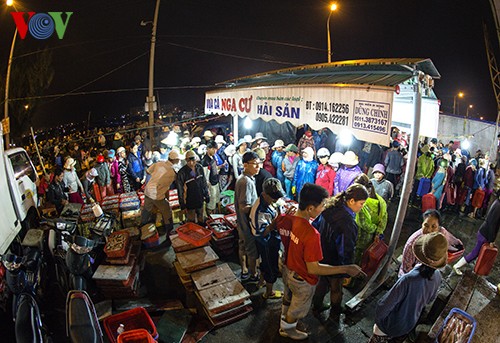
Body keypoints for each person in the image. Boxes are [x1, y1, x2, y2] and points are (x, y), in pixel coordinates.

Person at [280, 183, 365, 340]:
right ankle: (288, 329)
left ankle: (288, 319)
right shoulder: (312, 234)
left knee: (290, 296)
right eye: (321, 205)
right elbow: (314, 269)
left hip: (288, 269)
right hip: (304, 276)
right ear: (311, 208)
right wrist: (346, 268)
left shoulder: (289, 218)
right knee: (299, 307)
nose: (323, 208)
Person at [370, 233, 447, 343]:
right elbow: (430, 299)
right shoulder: (438, 276)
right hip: (409, 325)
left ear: (419, 254)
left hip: (390, 326)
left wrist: (378, 322)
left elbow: (384, 306)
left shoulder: (407, 280)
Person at [311, 183, 369, 328]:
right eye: (361, 204)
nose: (362, 207)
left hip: (321, 256)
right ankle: (334, 314)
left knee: (321, 283)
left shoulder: (329, 208)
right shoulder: (347, 223)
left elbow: (315, 228)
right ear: (351, 201)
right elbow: (346, 249)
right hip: (335, 262)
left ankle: (316, 306)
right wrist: (347, 269)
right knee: (336, 289)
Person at [250, 178, 287, 299]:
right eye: (274, 197)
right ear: (265, 194)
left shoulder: (267, 201)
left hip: (272, 240)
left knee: (264, 263)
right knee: (270, 266)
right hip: (266, 243)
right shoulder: (260, 211)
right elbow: (261, 233)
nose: (276, 200)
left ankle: (261, 282)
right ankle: (268, 293)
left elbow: (277, 204)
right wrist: (274, 224)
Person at [399, 209, 461, 277]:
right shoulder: (412, 243)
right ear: (422, 224)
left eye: (433, 226)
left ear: (438, 227)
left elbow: (452, 242)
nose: (429, 230)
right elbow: (407, 268)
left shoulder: (441, 233)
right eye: (426, 225)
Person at [453, 192, 500, 275]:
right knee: (475, 253)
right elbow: (492, 224)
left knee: (476, 252)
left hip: (484, 231)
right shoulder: (498, 206)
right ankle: (457, 266)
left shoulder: (497, 202)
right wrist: (491, 240)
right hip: (485, 234)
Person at [235, 151, 261, 283]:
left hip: (241, 222)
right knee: (251, 250)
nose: (258, 167)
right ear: (245, 165)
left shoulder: (245, 178)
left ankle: (244, 270)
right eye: (255, 164)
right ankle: (253, 274)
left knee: (242, 246)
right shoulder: (246, 182)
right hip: (247, 224)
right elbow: (243, 207)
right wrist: (259, 207)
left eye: (259, 164)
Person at [352, 174, 387, 265]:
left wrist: (374, 229)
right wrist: (378, 232)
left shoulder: (361, 203)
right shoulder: (381, 200)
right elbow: (384, 218)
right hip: (374, 237)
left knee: (357, 258)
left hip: (361, 237)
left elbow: (362, 223)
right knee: (366, 257)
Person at [141, 150, 179, 235]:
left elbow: (148, 171)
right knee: (167, 211)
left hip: (148, 191)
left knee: (147, 210)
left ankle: (143, 229)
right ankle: (169, 231)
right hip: (156, 194)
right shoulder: (172, 173)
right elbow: (167, 189)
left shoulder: (159, 163)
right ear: (175, 160)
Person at [177, 150, 210, 225]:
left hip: (199, 197)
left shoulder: (199, 168)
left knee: (201, 218)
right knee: (191, 221)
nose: (191, 163)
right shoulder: (182, 173)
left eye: (193, 160)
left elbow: (203, 182)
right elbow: (180, 190)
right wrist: (182, 205)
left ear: (196, 159)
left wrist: (206, 194)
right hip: (189, 200)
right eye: (189, 161)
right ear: (186, 160)